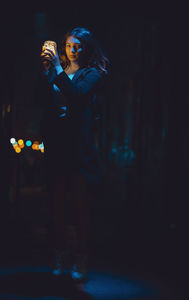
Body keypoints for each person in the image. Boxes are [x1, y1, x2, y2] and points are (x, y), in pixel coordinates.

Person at [39, 27, 109, 281]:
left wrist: (56, 69)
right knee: (56, 205)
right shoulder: (58, 72)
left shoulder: (92, 74)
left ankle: (81, 258)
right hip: (58, 149)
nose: (73, 50)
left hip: (78, 150)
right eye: (69, 46)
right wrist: (47, 70)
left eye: (78, 46)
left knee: (80, 207)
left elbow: (76, 95)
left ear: (87, 48)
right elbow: (47, 105)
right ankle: (58, 253)